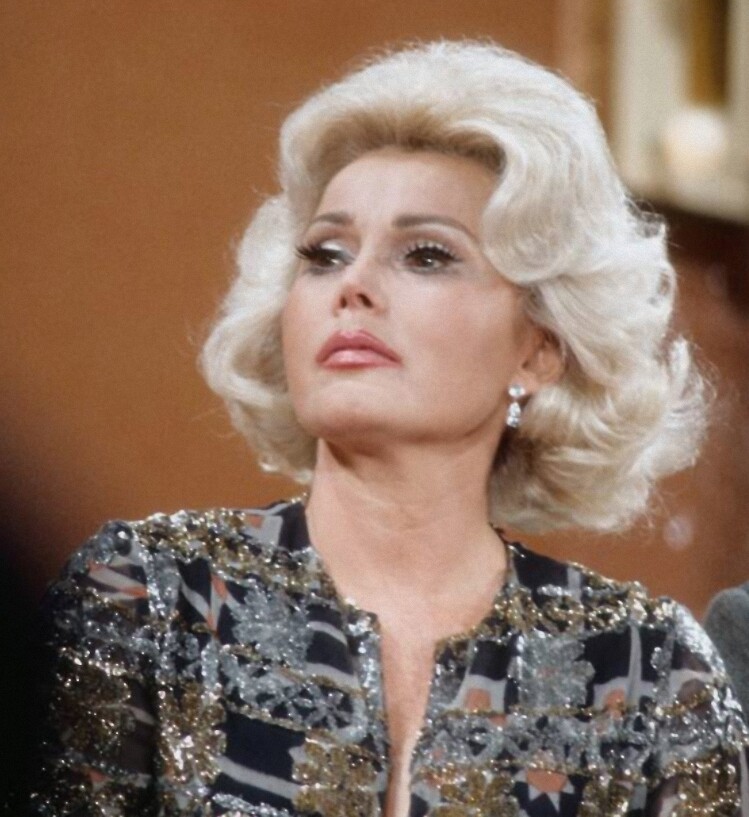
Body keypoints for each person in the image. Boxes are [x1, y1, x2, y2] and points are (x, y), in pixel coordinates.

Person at [25, 41, 748, 817]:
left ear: (539, 350)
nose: (354, 285)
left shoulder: (645, 670)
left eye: (426, 255)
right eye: (325, 254)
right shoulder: (146, 598)